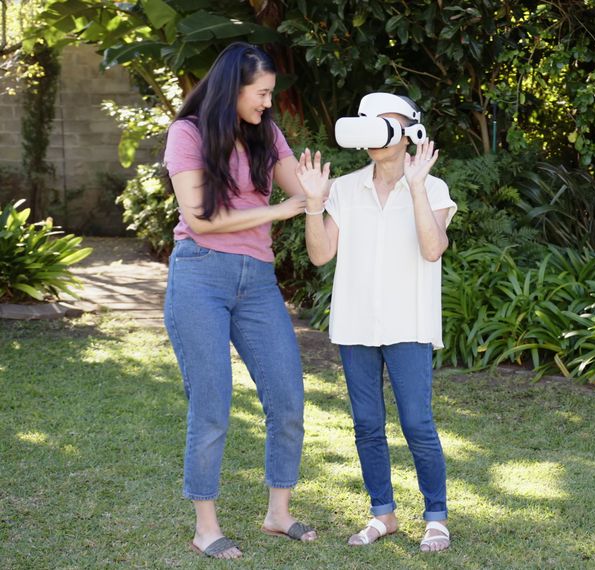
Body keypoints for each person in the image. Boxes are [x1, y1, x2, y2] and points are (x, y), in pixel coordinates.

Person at [162, 42, 317, 559]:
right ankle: (206, 526)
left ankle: (278, 512)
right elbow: (201, 218)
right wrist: (278, 212)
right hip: (201, 275)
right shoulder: (187, 133)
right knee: (212, 404)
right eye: (262, 93)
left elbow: (307, 192)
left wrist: (327, 191)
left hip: (258, 282)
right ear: (234, 87)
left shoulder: (266, 134)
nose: (269, 104)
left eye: (272, 94)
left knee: (288, 397)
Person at [297, 92, 456, 553]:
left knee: (416, 422)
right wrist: (313, 202)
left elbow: (432, 249)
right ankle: (382, 513)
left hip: (409, 324)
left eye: (383, 123)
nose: (373, 132)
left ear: (411, 132)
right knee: (367, 424)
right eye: (366, 122)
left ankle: (436, 517)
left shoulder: (436, 188)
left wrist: (417, 186)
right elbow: (321, 254)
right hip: (356, 324)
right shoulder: (345, 189)